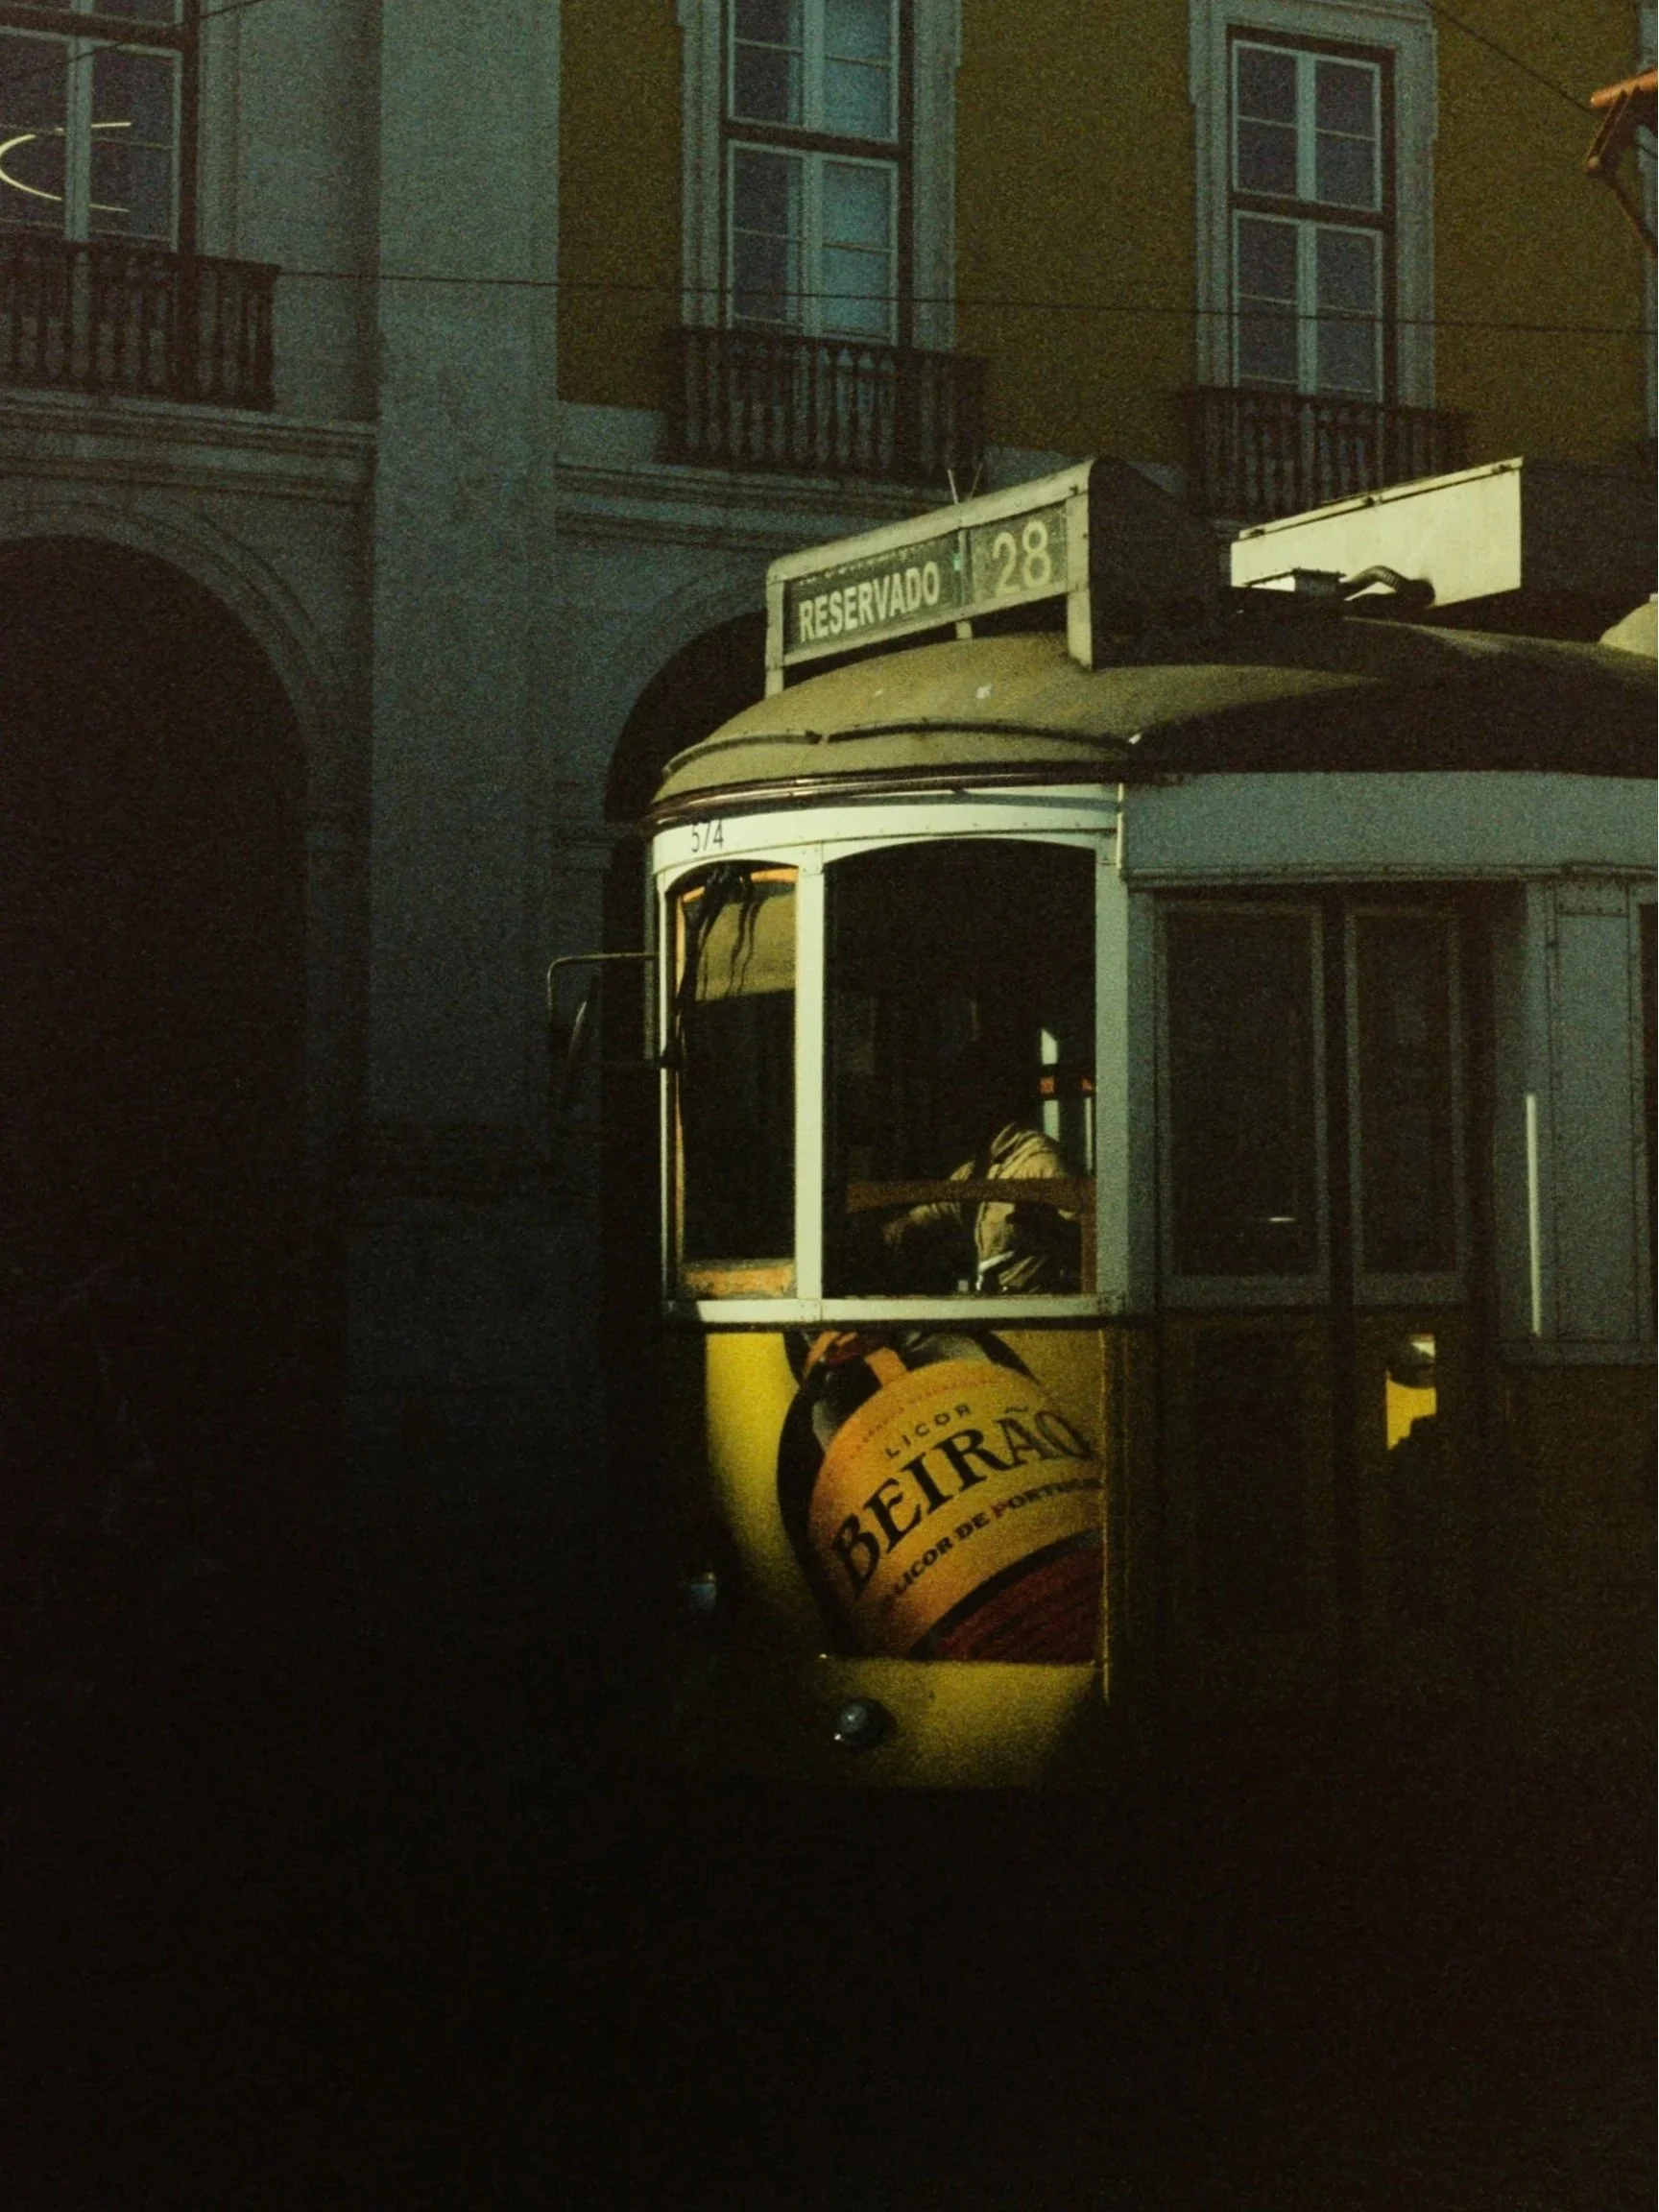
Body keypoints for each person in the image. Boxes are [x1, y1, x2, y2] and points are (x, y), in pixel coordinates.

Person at [879, 1036, 1083, 1294]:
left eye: (962, 1097)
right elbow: (937, 1210)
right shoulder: (977, 1169)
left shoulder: (1041, 1163)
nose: (954, 1112)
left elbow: (1089, 1241)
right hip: (994, 1310)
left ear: (989, 1098)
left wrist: (1052, 1233)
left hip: (1031, 1319)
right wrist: (886, 1235)